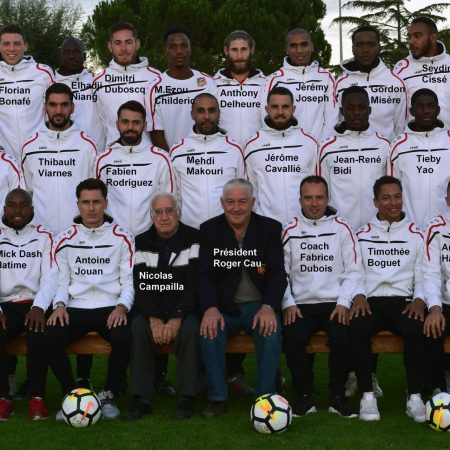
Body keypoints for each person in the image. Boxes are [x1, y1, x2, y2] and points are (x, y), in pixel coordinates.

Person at [45, 178, 134, 419]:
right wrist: (59, 305)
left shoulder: (123, 237)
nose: (91, 208)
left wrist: (122, 307)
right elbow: (62, 282)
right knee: (51, 335)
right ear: (78, 204)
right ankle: (71, 394)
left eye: (96, 202)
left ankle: (108, 394)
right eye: (86, 202)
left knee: (125, 337)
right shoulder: (65, 239)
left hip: (110, 306)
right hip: (76, 306)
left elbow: (128, 282)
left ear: (106, 203)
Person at [199, 178, 285, 418]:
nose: (236, 208)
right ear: (222, 203)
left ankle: (265, 399)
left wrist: (269, 306)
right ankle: (217, 397)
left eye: (242, 202)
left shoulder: (269, 228)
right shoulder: (209, 230)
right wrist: (210, 308)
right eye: (230, 202)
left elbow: (277, 273)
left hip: (258, 305)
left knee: (270, 331)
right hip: (224, 307)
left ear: (253, 202)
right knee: (209, 331)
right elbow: (204, 275)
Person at [282, 175, 361, 418]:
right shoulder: (290, 230)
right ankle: (305, 397)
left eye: (319, 197)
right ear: (300, 200)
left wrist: (344, 302)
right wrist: (288, 303)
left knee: (342, 336)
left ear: (327, 199)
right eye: (308, 198)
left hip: (334, 304)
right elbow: (280, 273)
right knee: (293, 336)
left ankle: (337, 398)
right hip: (301, 304)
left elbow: (354, 270)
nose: (314, 203)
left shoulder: (342, 228)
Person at [350, 176, 427, 422]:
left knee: (416, 326)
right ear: (375, 202)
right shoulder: (361, 235)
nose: (393, 203)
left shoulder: (417, 234)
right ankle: (367, 396)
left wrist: (419, 300)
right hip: (371, 301)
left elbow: (422, 275)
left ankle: (414, 396)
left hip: (403, 301)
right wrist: (358, 295)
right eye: (386, 198)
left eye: (397, 197)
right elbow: (355, 272)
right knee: (358, 325)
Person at [123, 192, 200, 421]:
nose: (164, 217)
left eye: (169, 211)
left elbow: (195, 285)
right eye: (158, 212)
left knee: (190, 329)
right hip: (152, 310)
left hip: (185, 310)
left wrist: (177, 316)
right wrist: (154, 317)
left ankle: (187, 398)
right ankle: (140, 399)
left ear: (179, 213)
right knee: (138, 327)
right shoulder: (141, 242)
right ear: (152, 216)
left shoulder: (195, 239)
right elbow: (140, 285)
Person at [0, 188, 56, 420]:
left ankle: (36, 398)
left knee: (37, 331)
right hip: (6, 304)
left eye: (24, 205)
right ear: (4, 209)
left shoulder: (45, 236)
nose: (18, 210)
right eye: (12, 205)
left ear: (32, 209)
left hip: (35, 303)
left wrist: (39, 307)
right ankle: (4, 398)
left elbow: (50, 277)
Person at [21, 83, 97, 233]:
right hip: (40, 235)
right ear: (45, 108)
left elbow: (94, 192)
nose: (58, 111)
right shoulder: (30, 147)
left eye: (64, 105)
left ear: (72, 107)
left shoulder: (87, 146)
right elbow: (28, 191)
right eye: (53, 105)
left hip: (78, 234)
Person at [96, 100, 175, 236]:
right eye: (125, 122)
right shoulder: (103, 160)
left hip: (151, 239)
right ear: (117, 125)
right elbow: (97, 200)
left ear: (144, 125)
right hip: (114, 238)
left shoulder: (161, 159)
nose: (130, 127)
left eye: (136, 122)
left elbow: (170, 200)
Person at [318, 86, 390, 229]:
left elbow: (390, 190)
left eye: (362, 107)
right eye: (350, 108)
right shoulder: (327, 148)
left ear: (370, 110)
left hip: (377, 229)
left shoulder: (384, 145)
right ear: (341, 111)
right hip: (339, 229)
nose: (356, 113)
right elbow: (321, 191)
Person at [170, 93, 245, 229]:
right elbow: (175, 195)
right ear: (192, 114)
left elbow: (241, 191)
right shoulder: (178, 150)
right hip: (189, 230)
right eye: (200, 111)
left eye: (211, 110)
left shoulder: (233, 149)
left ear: (219, 113)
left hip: (225, 230)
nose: (207, 116)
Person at [245, 86, 317, 224]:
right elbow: (251, 189)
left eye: (285, 107)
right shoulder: (253, 145)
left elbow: (316, 185)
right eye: (274, 107)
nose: (280, 112)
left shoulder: (309, 142)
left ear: (293, 109)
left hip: (302, 225)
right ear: (267, 109)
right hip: (266, 225)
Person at [147, 27, 217, 151]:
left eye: (184, 46)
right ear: (165, 51)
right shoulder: (155, 87)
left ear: (190, 50)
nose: (179, 51)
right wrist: (173, 158)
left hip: (206, 157)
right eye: (173, 47)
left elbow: (215, 122)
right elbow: (156, 133)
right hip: (172, 158)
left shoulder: (207, 83)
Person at [389, 88, 450, 228]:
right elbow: (392, 190)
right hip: (411, 229)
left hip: (446, 231)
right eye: (420, 106)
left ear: (438, 110)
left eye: (431, 106)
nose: (426, 111)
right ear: (411, 111)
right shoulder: (399, 146)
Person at [93, 21, 160, 145]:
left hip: (149, 154)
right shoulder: (98, 81)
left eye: (128, 42)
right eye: (118, 43)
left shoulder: (156, 78)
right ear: (110, 46)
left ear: (137, 44)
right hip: (114, 154)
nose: (123, 49)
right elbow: (102, 123)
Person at [334, 25, 407, 140]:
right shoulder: (341, 83)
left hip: (386, 150)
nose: (365, 50)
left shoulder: (395, 82)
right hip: (349, 150)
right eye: (360, 45)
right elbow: (336, 123)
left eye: (371, 44)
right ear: (353, 49)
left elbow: (401, 126)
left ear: (379, 48)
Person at [263, 28, 336, 141]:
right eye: (293, 46)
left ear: (312, 46)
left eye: (304, 45)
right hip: (288, 148)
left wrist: (322, 145)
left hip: (320, 147)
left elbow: (332, 118)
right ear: (286, 49)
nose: (299, 50)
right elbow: (266, 118)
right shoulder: (273, 79)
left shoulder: (326, 78)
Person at [0, 24, 54, 160]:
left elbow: (56, 110)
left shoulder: (43, 73)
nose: (11, 48)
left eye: (17, 43)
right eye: (6, 44)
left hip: (40, 155)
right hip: (4, 159)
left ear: (25, 46)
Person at [394, 17, 450, 128]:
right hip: (413, 138)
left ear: (433, 37)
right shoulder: (400, 69)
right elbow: (395, 110)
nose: (411, 41)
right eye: (409, 37)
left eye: (417, 36)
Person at [214, 30, 265, 146]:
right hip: (224, 151)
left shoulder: (266, 83)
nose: (239, 56)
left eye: (244, 49)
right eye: (234, 50)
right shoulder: (213, 84)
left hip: (258, 151)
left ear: (252, 50)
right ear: (226, 51)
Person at [423, 180, 450, 395]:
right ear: (447, 200)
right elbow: (430, 273)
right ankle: (438, 389)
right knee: (432, 327)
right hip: (445, 303)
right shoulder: (436, 228)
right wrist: (434, 308)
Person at [55, 37, 105, 150]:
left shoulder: (97, 82)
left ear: (85, 55)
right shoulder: (50, 85)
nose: (71, 56)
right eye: (67, 52)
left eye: (76, 52)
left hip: (97, 152)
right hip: (65, 154)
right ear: (60, 55)